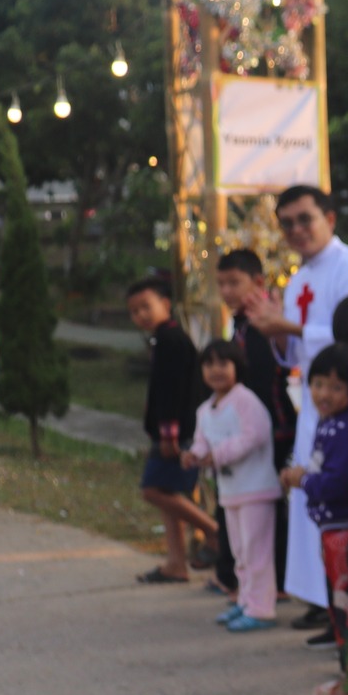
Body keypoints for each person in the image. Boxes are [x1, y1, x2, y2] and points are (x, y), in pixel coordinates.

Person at [245, 184, 348, 635]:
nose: (297, 230)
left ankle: (345, 606)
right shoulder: (299, 279)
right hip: (313, 406)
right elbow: (294, 353)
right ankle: (321, 598)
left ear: (330, 219)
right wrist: (276, 334)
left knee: (340, 502)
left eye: (306, 219)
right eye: (287, 224)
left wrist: (289, 325)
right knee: (312, 500)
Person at [279, 344, 348, 695]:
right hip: (332, 529)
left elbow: (335, 482)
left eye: (336, 387)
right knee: (342, 603)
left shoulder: (344, 428)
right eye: (317, 384)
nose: (324, 394)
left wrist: (302, 480)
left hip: (346, 530)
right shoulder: (330, 424)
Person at [215, 249, 297, 596]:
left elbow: (263, 380)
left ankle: (274, 581)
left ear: (258, 282)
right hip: (249, 429)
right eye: (222, 284)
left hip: (272, 427)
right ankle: (243, 577)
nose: (227, 291)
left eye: (235, 282)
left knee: (266, 506)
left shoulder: (265, 323)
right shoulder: (241, 324)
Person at [186, 338, 282, 632]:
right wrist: (194, 455)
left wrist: (218, 455)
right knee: (240, 551)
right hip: (230, 492)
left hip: (256, 489)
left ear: (237, 367)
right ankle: (245, 600)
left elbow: (255, 435)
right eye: (209, 364)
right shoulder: (205, 409)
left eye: (223, 363)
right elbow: (202, 441)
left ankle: (262, 609)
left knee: (256, 551)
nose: (216, 370)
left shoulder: (245, 400)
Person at [126, 276, 216, 585]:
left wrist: (168, 434)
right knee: (167, 493)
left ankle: (215, 533)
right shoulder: (165, 338)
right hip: (171, 430)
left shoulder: (171, 340)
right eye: (134, 311)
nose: (140, 315)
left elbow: (173, 390)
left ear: (165, 304)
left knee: (153, 490)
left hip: (176, 433)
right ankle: (176, 563)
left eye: (146, 307)